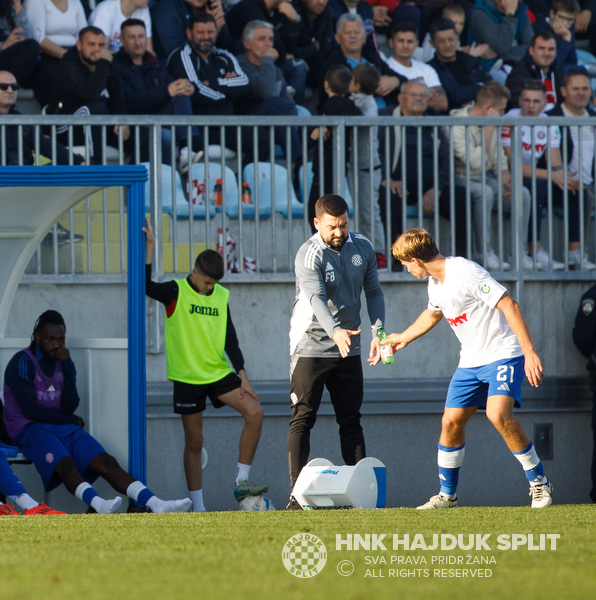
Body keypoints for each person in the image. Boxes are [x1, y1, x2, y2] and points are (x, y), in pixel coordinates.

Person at [382, 228, 551, 508]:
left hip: (502, 354)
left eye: (404, 263)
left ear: (415, 259)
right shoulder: (435, 284)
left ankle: (540, 484)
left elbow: (509, 304)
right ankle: (448, 496)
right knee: (450, 422)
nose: (405, 269)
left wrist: (529, 352)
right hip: (470, 362)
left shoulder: (464, 271)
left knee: (498, 415)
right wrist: (403, 337)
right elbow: (432, 313)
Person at [5, 309, 186, 513]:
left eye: (61, 339)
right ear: (37, 337)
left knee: (106, 461)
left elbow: (70, 404)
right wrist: (71, 419)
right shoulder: (22, 361)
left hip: (62, 425)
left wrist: (66, 367)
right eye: (50, 338)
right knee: (66, 465)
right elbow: (30, 410)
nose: (56, 344)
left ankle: (156, 503)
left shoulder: (61, 361)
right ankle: (99, 505)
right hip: (30, 429)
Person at [144, 236, 266, 513]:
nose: (211, 287)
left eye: (215, 283)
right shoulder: (175, 291)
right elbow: (144, 286)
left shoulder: (221, 296)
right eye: (207, 282)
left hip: (217, 372)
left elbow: (229, 338)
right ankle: (199, 509)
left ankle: (241, 481)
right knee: (195, 443)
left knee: (255, 413)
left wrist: (242, 374)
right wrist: (150, 248)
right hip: (187, 377)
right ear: (195, 272)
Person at [285, 193, 386, 506]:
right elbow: (315, 299)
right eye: (332, 227)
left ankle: (359, 493)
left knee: (351, 419)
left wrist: (379, 332)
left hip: (349, 347)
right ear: (317, 224)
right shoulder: (308, 254)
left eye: (343, 225)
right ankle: (296, 496)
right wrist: (335, 331)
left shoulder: (363, 247)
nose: (339, 232)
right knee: (303, 418)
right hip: (310, 346)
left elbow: (373, 291)